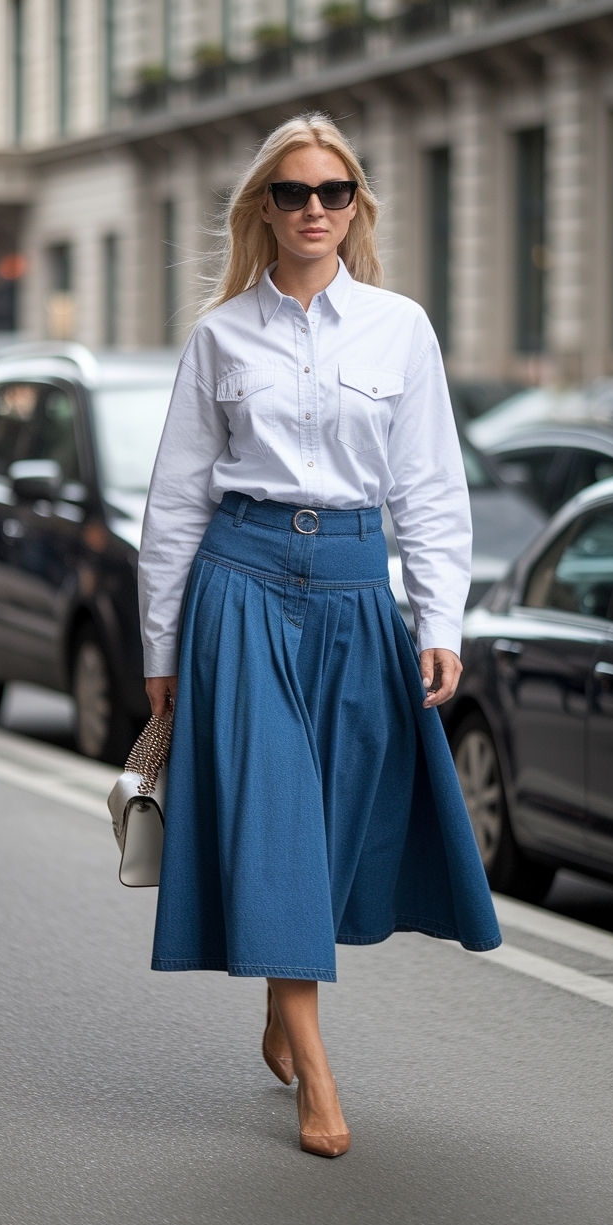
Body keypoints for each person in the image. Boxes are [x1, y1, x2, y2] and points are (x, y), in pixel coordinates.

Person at [138, 113, 501, 1159]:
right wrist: (160, 653)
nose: (312, 210)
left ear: (356, 207)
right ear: (264, 207)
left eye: (332, 192)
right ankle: (320, 1080)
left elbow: (432, 487)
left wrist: (441, 622)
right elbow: (172, 505)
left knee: (335, 825)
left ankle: (278, 1002)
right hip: (238, 586)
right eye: (292, 193)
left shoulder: (398, 327)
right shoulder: (220, 337)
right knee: (275, 824)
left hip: (352, 591)